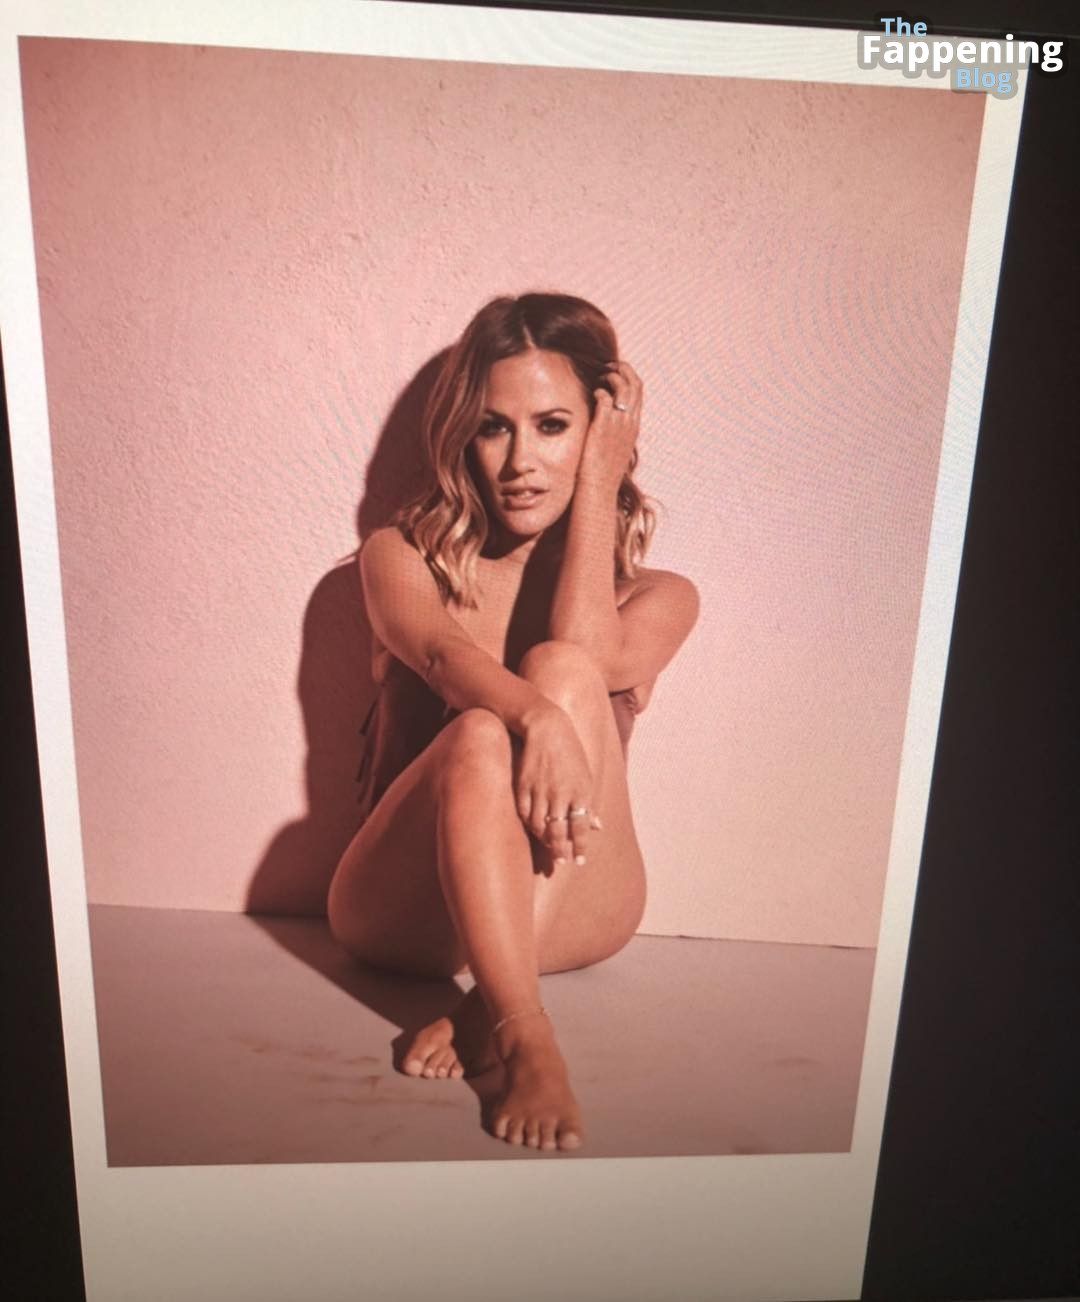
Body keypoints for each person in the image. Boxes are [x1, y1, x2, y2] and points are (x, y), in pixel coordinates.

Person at [328, 292, 699, 1152]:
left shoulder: (661, 597)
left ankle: (487, 1005)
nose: (521, 461)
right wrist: (538, 720)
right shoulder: (400, 558)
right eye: (494, 428)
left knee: (564, 666)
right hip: (407, 915)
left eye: (555, 426)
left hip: (576, 908)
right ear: (463, 436)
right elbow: (440, 657)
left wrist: (599, 483)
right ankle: (526, 1033)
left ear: (601, 432)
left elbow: (584, 655)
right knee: (480, 730)